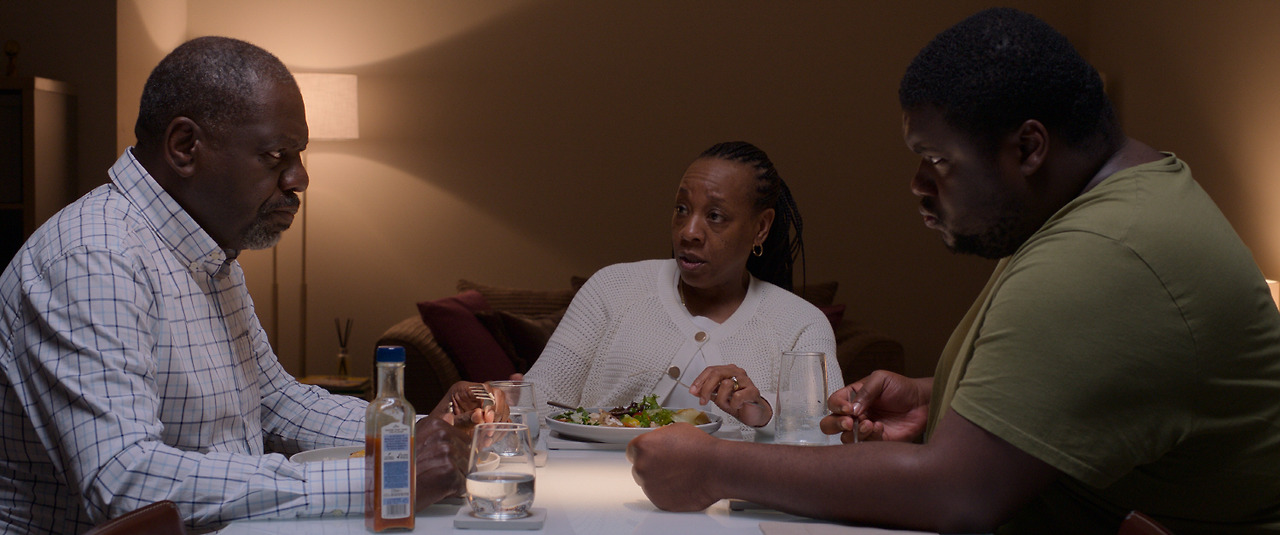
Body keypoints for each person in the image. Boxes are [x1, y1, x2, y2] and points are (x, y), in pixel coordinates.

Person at [627, 8, 1280, 534]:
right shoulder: (1111, 205)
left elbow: (955, 494)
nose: (918, 183)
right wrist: (936, 394)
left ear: (1028, 147)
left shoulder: (1106, 252)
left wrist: (716, 467)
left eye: (937, 159)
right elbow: (1100, 378)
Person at [0, 37, 493, 534]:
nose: (299, 179)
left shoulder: (204, 249)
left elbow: (275, 402)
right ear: (184, 147)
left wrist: (422, 433)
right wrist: (381, 478)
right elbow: (125, 481)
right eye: (277, 156)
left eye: (299, 156)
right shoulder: (93, 258)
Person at [522, 141, 840, 438]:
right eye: (682, 209)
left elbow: (828, 431)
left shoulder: (801, 323)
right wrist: (504, 405)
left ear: (760, 228)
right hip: (594, 478)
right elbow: (536, 402)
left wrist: (764, 410)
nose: (688, 232)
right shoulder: (611, 289)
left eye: (715, 216)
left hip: (730, 482)